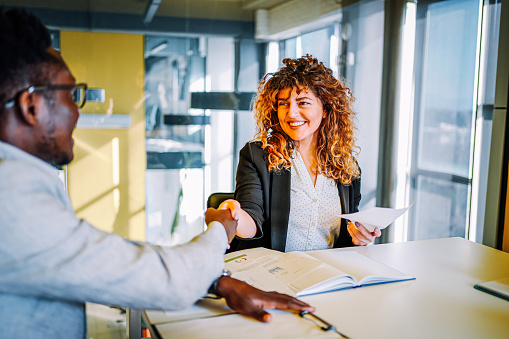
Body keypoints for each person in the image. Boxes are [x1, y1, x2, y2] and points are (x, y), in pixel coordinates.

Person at [0, 7, 313, 338]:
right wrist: (220, 230)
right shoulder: (12, 196)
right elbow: (160, 281)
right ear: (31, 106)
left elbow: (100, 258)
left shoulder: (18, 181)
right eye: (71, 94)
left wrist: (216, 281)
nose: (78, 111)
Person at [220, 55, 382, 252]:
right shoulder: (257, 156)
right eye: (283, 103)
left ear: (325, 108)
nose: (292, 113)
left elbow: (347, 233)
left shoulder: (346, 166)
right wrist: (235, 216)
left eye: (303, 103)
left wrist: (359, 236)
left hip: (328, 275)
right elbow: (253, 222)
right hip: (276, 274)